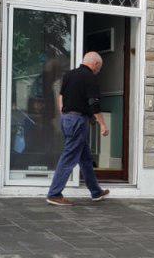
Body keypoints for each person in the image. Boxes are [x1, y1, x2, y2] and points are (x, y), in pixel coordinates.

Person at [46, 52, 111, 205]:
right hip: (78, 121)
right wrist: (102, 124)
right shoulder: (90, 77)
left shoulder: (69, 75)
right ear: (95, 64)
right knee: (69, 157)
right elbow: (94, 103)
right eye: (99, 68)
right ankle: (54, 194)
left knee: (85, 158)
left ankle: (96, 192)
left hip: (67, 119)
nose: (99, 71)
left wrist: (63, 112)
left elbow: (61, 96)